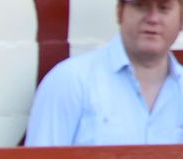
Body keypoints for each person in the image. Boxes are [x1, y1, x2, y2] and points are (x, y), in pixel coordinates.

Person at [26, 0, 183, 146]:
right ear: (120, 12)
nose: (153, 18)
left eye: (164, 8)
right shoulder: (69, 80)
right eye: (140, 5)